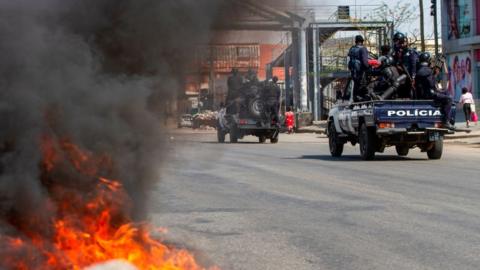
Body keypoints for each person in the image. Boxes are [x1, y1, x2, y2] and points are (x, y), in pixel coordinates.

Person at [415, 52, 454, 129]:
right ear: (428, 60)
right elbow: (431, 84)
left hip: (422, 94)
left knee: (445, 93)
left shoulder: (419, 70)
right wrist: (435, 77)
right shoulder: (427, 71)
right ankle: (446, 121)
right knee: (448, 99)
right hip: (429, 94)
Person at [392, 32, 418, 98]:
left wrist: (413, 78)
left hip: (408, 75)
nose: (395, 43)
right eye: (395, 41)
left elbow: (413, 65)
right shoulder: (396, 51)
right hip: (400, 74)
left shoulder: (410, 52)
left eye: (397, 41)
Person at [348, 35, 370, 101]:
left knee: (356, 86)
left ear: (356, 41)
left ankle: (355, 99)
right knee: (363, 86)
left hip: (353, 72)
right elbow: (365, 62)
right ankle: (363, 101)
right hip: (361, 72)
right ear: (362, 42)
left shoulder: (351, 49)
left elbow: (349, 59)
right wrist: (368, 68)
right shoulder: (363, 49)